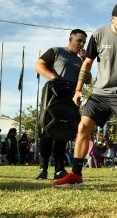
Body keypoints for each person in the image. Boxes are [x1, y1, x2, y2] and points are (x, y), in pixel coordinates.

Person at [54, 2, 117, 190]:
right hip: (100, 93)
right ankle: (76, 175)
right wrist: (79, 89)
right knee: (83, 128)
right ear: (112, 18)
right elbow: (87, 63)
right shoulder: (98, 34)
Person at [35, 29, 89, 180]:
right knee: (47, 131)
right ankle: (42, 168)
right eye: (79, 40)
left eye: (84, 42)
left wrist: (85, 61)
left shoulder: (81, 60)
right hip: (53, 93)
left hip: (71, 96)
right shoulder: (56, 51)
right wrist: (54, 77)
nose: (82, 44)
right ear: (70, 39)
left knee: (63, 132)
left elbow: (89, 79)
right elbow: (39, 65)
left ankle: (59, 169)